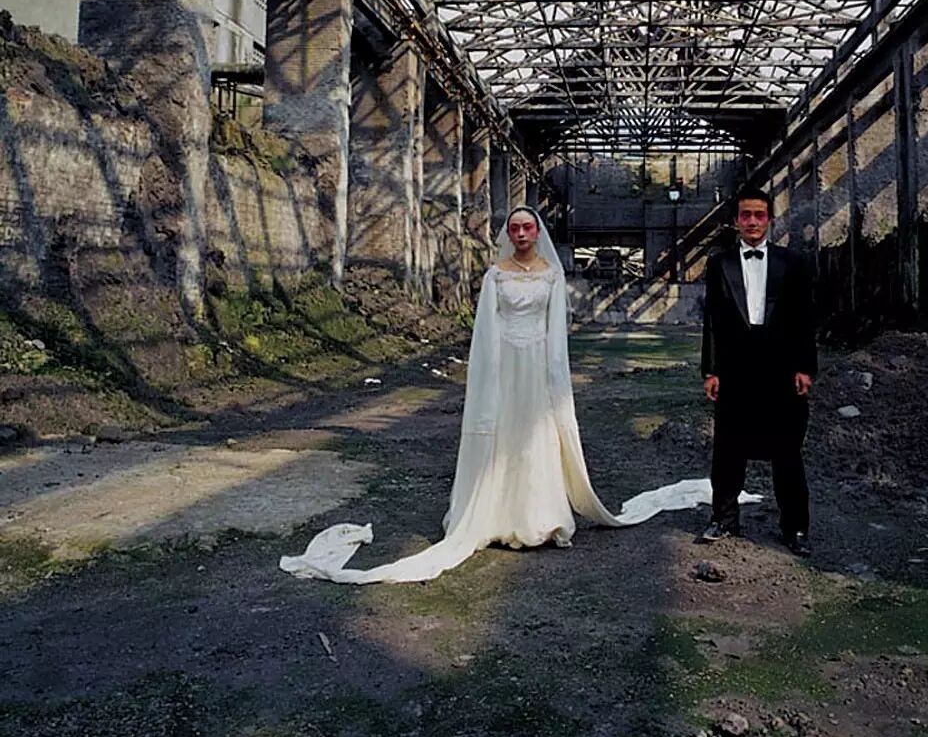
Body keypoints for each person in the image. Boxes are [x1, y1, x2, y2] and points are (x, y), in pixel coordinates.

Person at [279, 207, 728, 584]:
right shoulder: (495, 276)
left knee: (537, 436)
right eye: (514, 228)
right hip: (505, 365)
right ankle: (494, 515)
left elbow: (557, 331)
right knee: (504, 434)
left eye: (527, 227)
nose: (521, 233)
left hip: (539, 365)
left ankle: (541, 517)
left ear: (537, 231)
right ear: (508, 235)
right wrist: (486, 375)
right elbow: (485, 331)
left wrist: (556, 376)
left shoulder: (551, 276)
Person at [698, 185, 818, 555]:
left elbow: (804, 319)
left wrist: (805, 367)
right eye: (746, 215)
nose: (752, 221)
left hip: (781, 367)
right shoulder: (719, 264)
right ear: (736, 221)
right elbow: (712, 321)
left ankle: (795, 529)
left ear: (769, 220)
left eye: (759, 215)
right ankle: (723, 519)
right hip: (735, 368)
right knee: (728, 448)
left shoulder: (793, 262)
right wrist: (711, 371)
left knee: (787, 451)